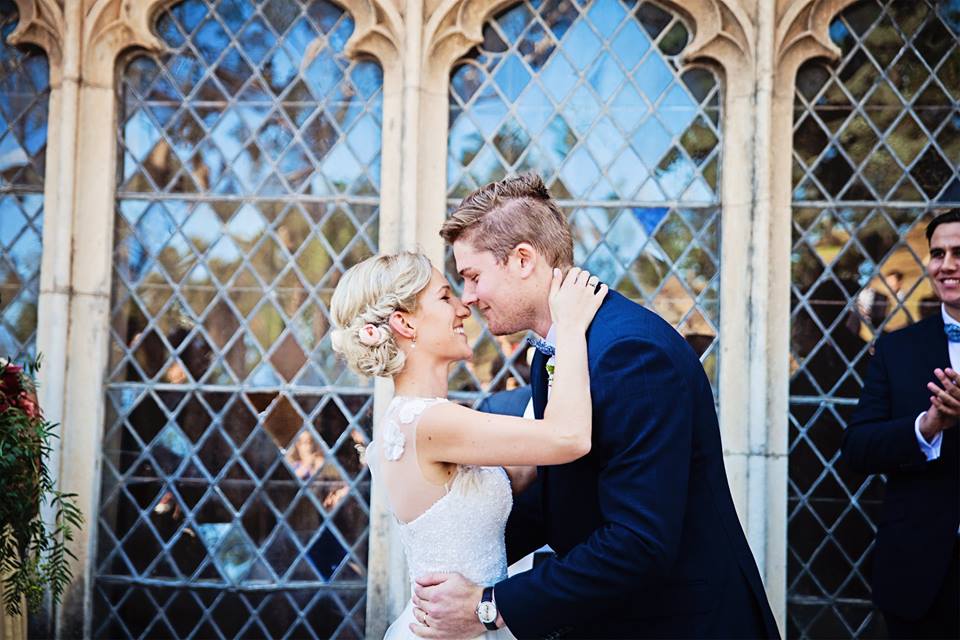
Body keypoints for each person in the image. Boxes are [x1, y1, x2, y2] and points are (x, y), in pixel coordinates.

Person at [412, 174, 780, 639]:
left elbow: (639, 541)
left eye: (473, 277)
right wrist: (462, 553)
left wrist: (491, 605)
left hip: (679, 624)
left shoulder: (630, 355)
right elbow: (561, 499)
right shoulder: (565, 346)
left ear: (523, 259)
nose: (468, 298)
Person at [329, 251, 608, 639]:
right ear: (404, 323)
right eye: (445, 297)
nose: (464, 307)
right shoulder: (429, 423)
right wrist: (570, 328)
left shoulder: (418, 422)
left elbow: (526, 470)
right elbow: (569, 437)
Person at [841, 209, 960, 639]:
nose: (946, 264)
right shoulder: (897, 350)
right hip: (919, 575)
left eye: (959, 253)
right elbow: (857, 449)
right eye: (938, 253)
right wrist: (926, 427)